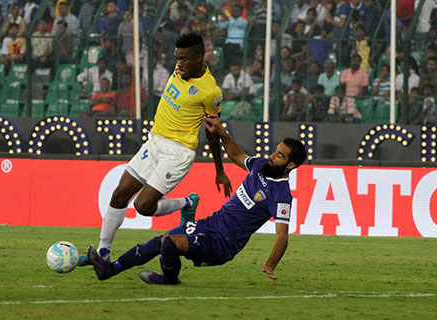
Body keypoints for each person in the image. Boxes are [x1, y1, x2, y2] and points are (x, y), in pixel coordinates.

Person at [85, 117, 307, 284]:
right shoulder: (260, 166)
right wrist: (221, 132)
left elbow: (282, 237)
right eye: (276, 151)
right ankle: (110, 270)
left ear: (290, 165)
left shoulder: (282, 196)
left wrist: (270, 264)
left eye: (279, 155)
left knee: (171, 243)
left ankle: (170, 279)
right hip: (210, 224)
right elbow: (236, 155)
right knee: (160, 241)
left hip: (224, 243)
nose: (272, 155)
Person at [87, 33, 232, 263]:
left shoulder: (210, 92)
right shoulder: (179, 69)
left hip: (178, 152)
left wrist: (219, 170)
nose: (178, 63)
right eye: (177, 58)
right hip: (154, 141)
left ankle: (186, 202)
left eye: (183, 59)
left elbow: (212, 130)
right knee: (119, 194)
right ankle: (103, 254)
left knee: (143, 206)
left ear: (199, 57)